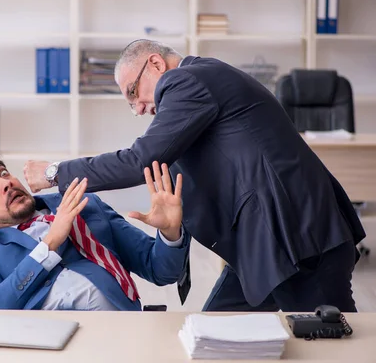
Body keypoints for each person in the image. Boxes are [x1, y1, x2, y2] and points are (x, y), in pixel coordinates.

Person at [23, 39, 366, 313]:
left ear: (156, 63)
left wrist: (55, 172)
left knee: (333, 346)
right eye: (130, 103)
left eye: (133, 92)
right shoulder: (200, 84)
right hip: (263, 244)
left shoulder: (186, 80)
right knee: (212, 334)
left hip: (297, 238)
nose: (138, 107)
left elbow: (139, 159)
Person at [0, 148, 191, 311]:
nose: (5, 183)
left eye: (4, 173)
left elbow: (160, 270)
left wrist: (170, 233)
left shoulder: (83, 203)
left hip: (119, 336)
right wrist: (49, 244)